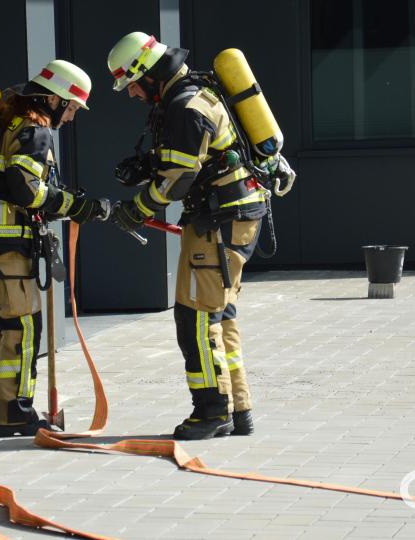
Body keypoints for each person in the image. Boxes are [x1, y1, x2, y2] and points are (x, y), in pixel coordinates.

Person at [107, 32, 271, 440]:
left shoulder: (183, 106)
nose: (131, 95)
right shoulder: (194, 93)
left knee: (195, 319)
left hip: (216, 225)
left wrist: (136, 210)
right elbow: (194, 155)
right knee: (220, 316)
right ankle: (238, 408)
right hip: (234, 217)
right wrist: (146, 165)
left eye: (131, 86)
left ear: (147, 75)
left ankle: (212, 412)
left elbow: (179, 178)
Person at [0, 60, 106, 437]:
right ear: (53, 99)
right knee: (23, 328)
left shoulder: (9, 123)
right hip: (6, 239)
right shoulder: (35, 130)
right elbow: (28, 190)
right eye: (71, 107)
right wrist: (77, 206)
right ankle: (16, 412)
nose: (70, 117)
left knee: (4, 328)